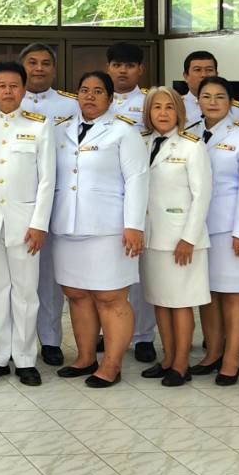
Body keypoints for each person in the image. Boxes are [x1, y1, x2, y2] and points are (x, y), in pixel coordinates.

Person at [50, 69, 149, 388]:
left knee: (110, 297)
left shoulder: (123, 132)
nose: (89, 96)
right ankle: (85, 357)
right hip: (68, 226)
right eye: (84, 90)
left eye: (97, 91)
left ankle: (112, 363)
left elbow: (137, 180)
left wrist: (134, 225)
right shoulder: (60, 130)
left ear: (110, 98)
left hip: (109, 229)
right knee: (76, 294)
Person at [0, 61, 55, 385]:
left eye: (14, 86)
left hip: (25, 223)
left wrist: (39, 223)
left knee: (26, 293)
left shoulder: (39, 126)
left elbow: (47, 179)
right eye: (2, 86)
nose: (8, 91)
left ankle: (26, 358)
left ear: (24, 90)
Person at [190, 75, 239, 385]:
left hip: (233, 229)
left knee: (234, 294)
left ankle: (232, 358)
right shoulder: (191, 133)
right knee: (207, 294)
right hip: (199, 228)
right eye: (206, 96)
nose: (212, 102)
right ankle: (213, 352)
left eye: (220, 97)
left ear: (231, 102)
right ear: (198, 101)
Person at [10, 43, 79, 368]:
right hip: (17, 201)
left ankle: (50, 339)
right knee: (15, 280)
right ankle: (13, 340)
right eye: (32, 62)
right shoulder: (3, 100)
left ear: (54, 68)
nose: (38, 68)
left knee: (50, 277)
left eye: (45, 63)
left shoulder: (70, 104)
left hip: (58, 198)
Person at [140, 86, 210, 386]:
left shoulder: (192, 146)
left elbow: (202, 195)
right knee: (161, 301)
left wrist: (189, 238)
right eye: (157, 107)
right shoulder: (141, 143)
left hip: (181, 239)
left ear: (179, 112)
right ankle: (168, 357)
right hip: (152, 237)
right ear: (148, 112)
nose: (163, 113)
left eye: (169, 107)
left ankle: (181, 363)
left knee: (181, 303)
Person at [104, 41, 156, 362]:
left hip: (142, 195)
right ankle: (108, 333)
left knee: (140, 272)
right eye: (117, 65)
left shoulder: (149, 102)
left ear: (140, 69)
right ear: (108, 68)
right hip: (107, 199)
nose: (122, 71)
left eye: (129, 65)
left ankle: (143, 336)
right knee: (110, 272)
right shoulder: (97, 99)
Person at [179, 51, 239, 129]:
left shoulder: (233, 107)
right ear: (186, 76)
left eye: (209, 70)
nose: (204, 75)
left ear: (217, 75)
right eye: (197, 70)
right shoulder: (175, 105)